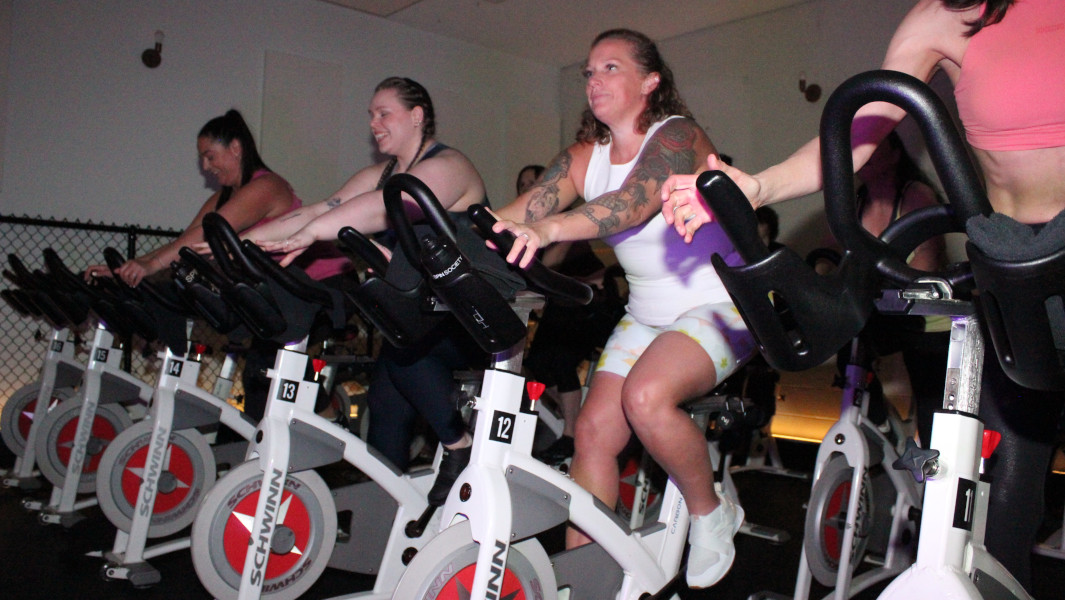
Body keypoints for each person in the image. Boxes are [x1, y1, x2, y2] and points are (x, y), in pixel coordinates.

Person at [661, 0, 1065, 588]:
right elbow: (853, 137)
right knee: (1008, 481)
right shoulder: (949, 16)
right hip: (1014, 265)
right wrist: (756, 186)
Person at [491, 29, 756, 589]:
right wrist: (429, 241)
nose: (594, 81)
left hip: (720, 305)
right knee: (591, 433)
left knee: (645, 399)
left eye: (611, 68)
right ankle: (584, 578)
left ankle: (714, 514)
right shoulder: (585, 158)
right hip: (646, 314)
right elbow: (511, 216)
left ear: (650, 81)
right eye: (589, 71)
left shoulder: (677, 136)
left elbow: (628, 205)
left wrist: (550, 227)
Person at [243, 77, 521, 506]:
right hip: (418, 323)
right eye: (370, 114)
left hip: (470, 325)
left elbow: (380, 209)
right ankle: (387, 509)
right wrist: (248, 240)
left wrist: (311, 234)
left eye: (383, 113)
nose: (373, 122)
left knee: (404, 356)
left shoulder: (450, 167)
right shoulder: (383, 174)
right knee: (387, 394)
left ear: (417, 116)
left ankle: (460, 446)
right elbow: (322, 209)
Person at [84, 109, 352, 423]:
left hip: (323, 287)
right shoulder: (223, 197)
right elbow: (187, 241)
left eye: (210, 156)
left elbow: (213, 236)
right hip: (281, 293)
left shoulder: (266, 187)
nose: (205, 166)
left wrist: (150, 266)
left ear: (236, 148)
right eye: (202, 159)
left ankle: (333, 422)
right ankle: (263, 447)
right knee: (260, 370)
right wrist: (134, 266)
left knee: (265, 363)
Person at [516, 165, 626, 466]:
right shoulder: (526, 230)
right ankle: (575, 419)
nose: (528, 189)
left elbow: (549, 264)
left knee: (560, 360)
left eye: (533, 183)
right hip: (562, 307)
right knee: (535, 365)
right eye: (523, 185)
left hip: (592, 307)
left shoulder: (562, 224)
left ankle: (571, 434)